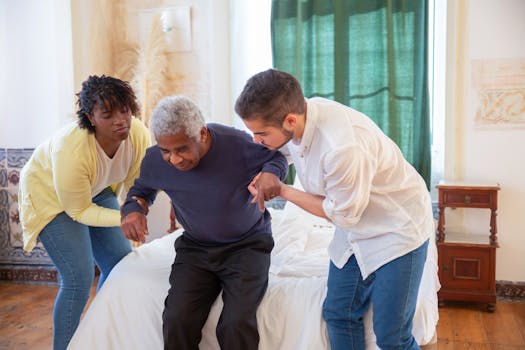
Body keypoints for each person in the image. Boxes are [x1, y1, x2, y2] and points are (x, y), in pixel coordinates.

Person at [235, 69, 434, 350]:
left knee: (392, 336)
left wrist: (282, 190)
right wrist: (267, 170)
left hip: (398, 229)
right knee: (338, 314)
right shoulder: (302, 117)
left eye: (261, 133)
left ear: (290, 120)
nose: (257, 140)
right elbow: (283, 152)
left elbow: (342, 214)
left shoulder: (342, 147)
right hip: (355, 228)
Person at [120, 95, 288, 350]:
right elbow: (140, 191)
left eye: (182, 149)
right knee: (177, 319)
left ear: (202, 134)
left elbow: (276, 158)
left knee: (235, 323)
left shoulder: (236, 144)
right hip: (196, 248)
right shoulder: (155, 159)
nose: (174, 159)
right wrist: (133, 210)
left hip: (246, 245)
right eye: (166, 150)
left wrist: (270, 174)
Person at [18, 75, 151, 350]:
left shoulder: (137, 133)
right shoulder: (72, 149)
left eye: (125, 110)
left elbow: (138, 184)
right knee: (78, 278)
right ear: (91, 117)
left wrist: (136, 209)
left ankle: (96, 338)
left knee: (119, 265)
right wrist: (124, 217)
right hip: (50, 196)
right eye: (108, 114)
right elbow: (77, 210)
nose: (121, 121)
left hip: (95, 187)